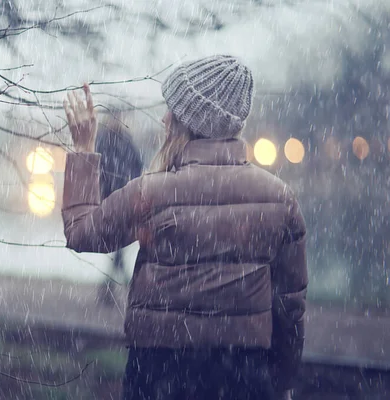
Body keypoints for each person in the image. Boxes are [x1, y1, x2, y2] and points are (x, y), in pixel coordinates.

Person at [62, 55, 307, 400]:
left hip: (160, 372)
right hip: (244, 374)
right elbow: (289, 306)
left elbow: (81, 232)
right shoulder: (280, 199)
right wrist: (281, 381)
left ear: (187, 122)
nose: (164, 118)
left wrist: (83, 149)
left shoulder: (154, 192)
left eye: (172, 110)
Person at [94, 115, 143, 306]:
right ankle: (125, 287)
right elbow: (137, 165)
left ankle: (113, 287)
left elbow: (99, 169)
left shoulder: (107, 140)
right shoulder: (121, 141)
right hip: (122, 198)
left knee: (119, 247)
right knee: (120, 246)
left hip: (117, 199)